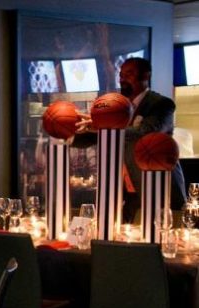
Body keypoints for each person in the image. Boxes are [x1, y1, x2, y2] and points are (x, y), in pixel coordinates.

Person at [76, 57, 185, 220]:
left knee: (161, 233)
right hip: (130, 192)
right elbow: (97, 136)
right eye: (121, 75)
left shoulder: (162, 104)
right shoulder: (119, 107)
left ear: (146, 76)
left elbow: (145, 132)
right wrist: (70, 131)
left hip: (159, 187)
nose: (122, 79)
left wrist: (103, 126)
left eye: (129, 74)